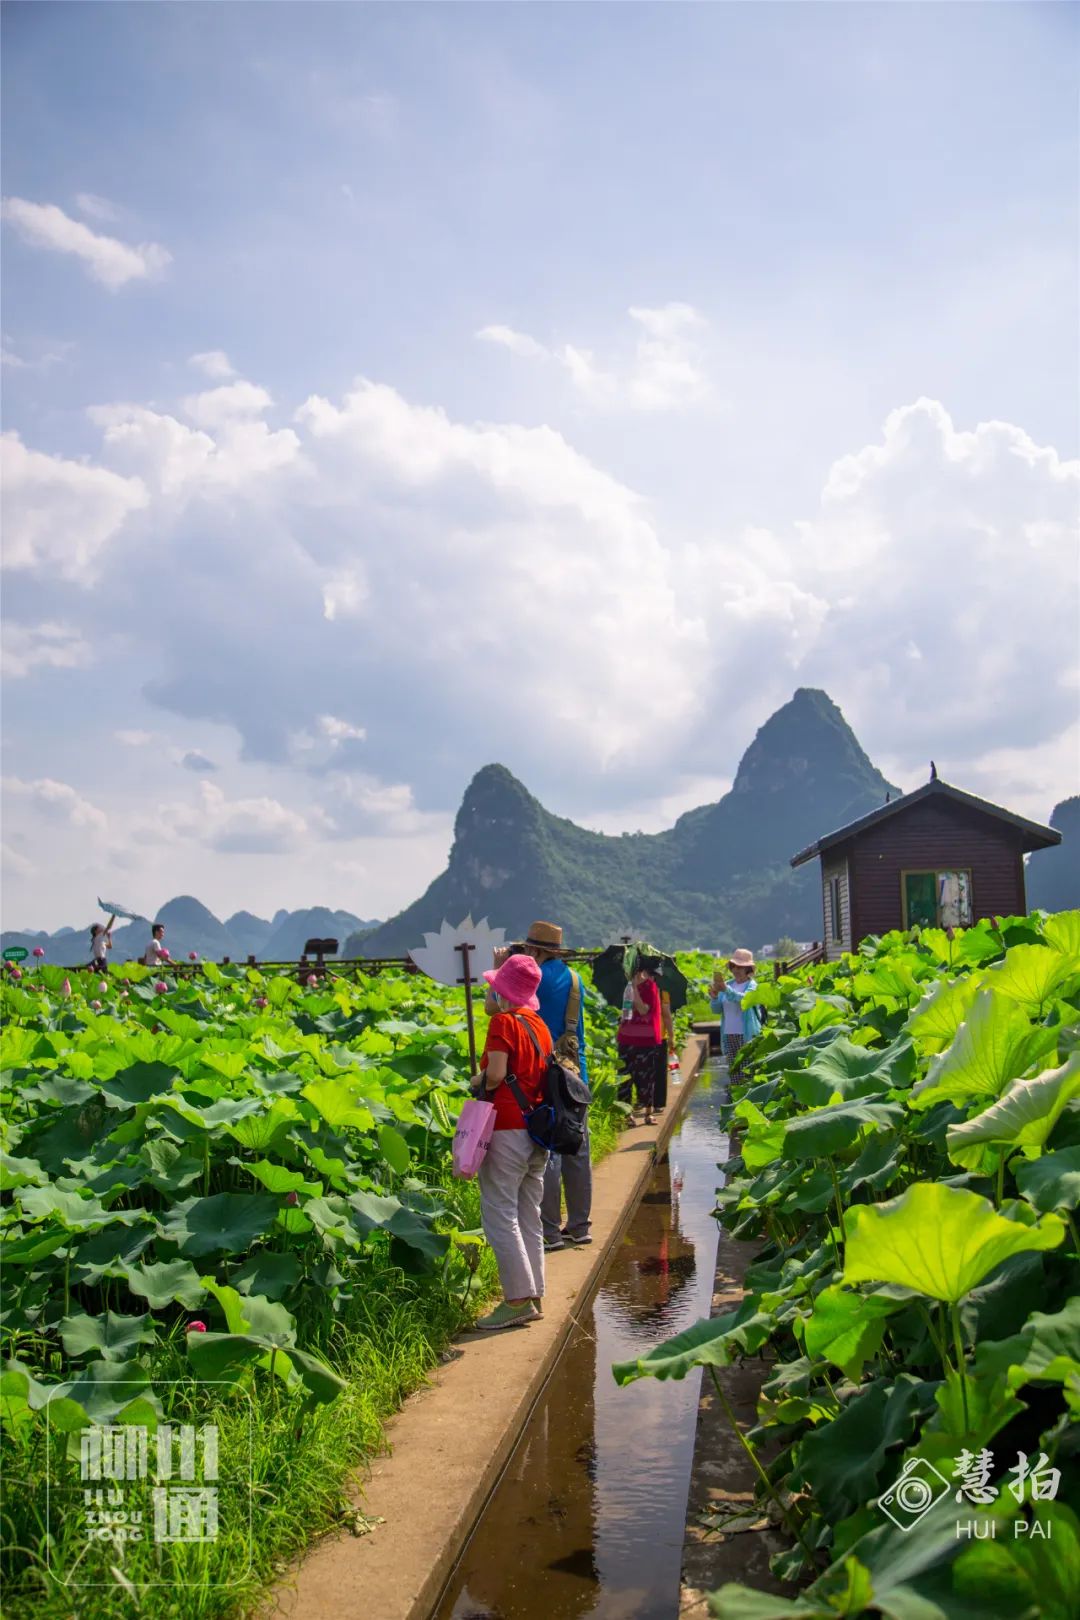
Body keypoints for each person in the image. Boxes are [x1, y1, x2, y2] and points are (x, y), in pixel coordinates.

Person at [470, 953, 553, 1331]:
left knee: (500, 1213)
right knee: (527, 1213)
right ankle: (534, 1293)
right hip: (538, 1131)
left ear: (502, 991)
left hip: (506, 1127)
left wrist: (479, 1080)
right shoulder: (539, 1025)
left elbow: (497, 1075)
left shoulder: (503, 1022)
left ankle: (517, 1300)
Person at [518, 920, 592, 1253]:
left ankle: (549, 1231)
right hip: (576, 1075)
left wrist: (501, 965)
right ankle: (579, 1227)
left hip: (543, 1077)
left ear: (534, 949)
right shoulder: (576, 980)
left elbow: (497, 1003)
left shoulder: (532, 978)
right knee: (577, 1150)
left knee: (549, 1155)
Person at [616, 956, 663, 1125]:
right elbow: (627, 1008)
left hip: (645, 1040)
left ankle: (648, 1113)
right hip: (627, 1037)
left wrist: (634, 988)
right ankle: (627, 1115)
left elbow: (643, 1010)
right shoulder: (628, 987)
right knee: (625, 1077)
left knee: (646, 1077)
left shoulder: (650, 987)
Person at [709, 948, 762, 1075]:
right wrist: (715, 997)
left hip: (747, 1034)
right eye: (734, 967)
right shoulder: (728, 984)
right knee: (734, 1073)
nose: (736, 970)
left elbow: (744, 1000)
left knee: (746, 1073)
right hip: (728, 1034)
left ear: (748, 969)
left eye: (740, 967)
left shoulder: (752, 986)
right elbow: (716, 1010)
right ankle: (734, 1094)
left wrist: (726, 990)